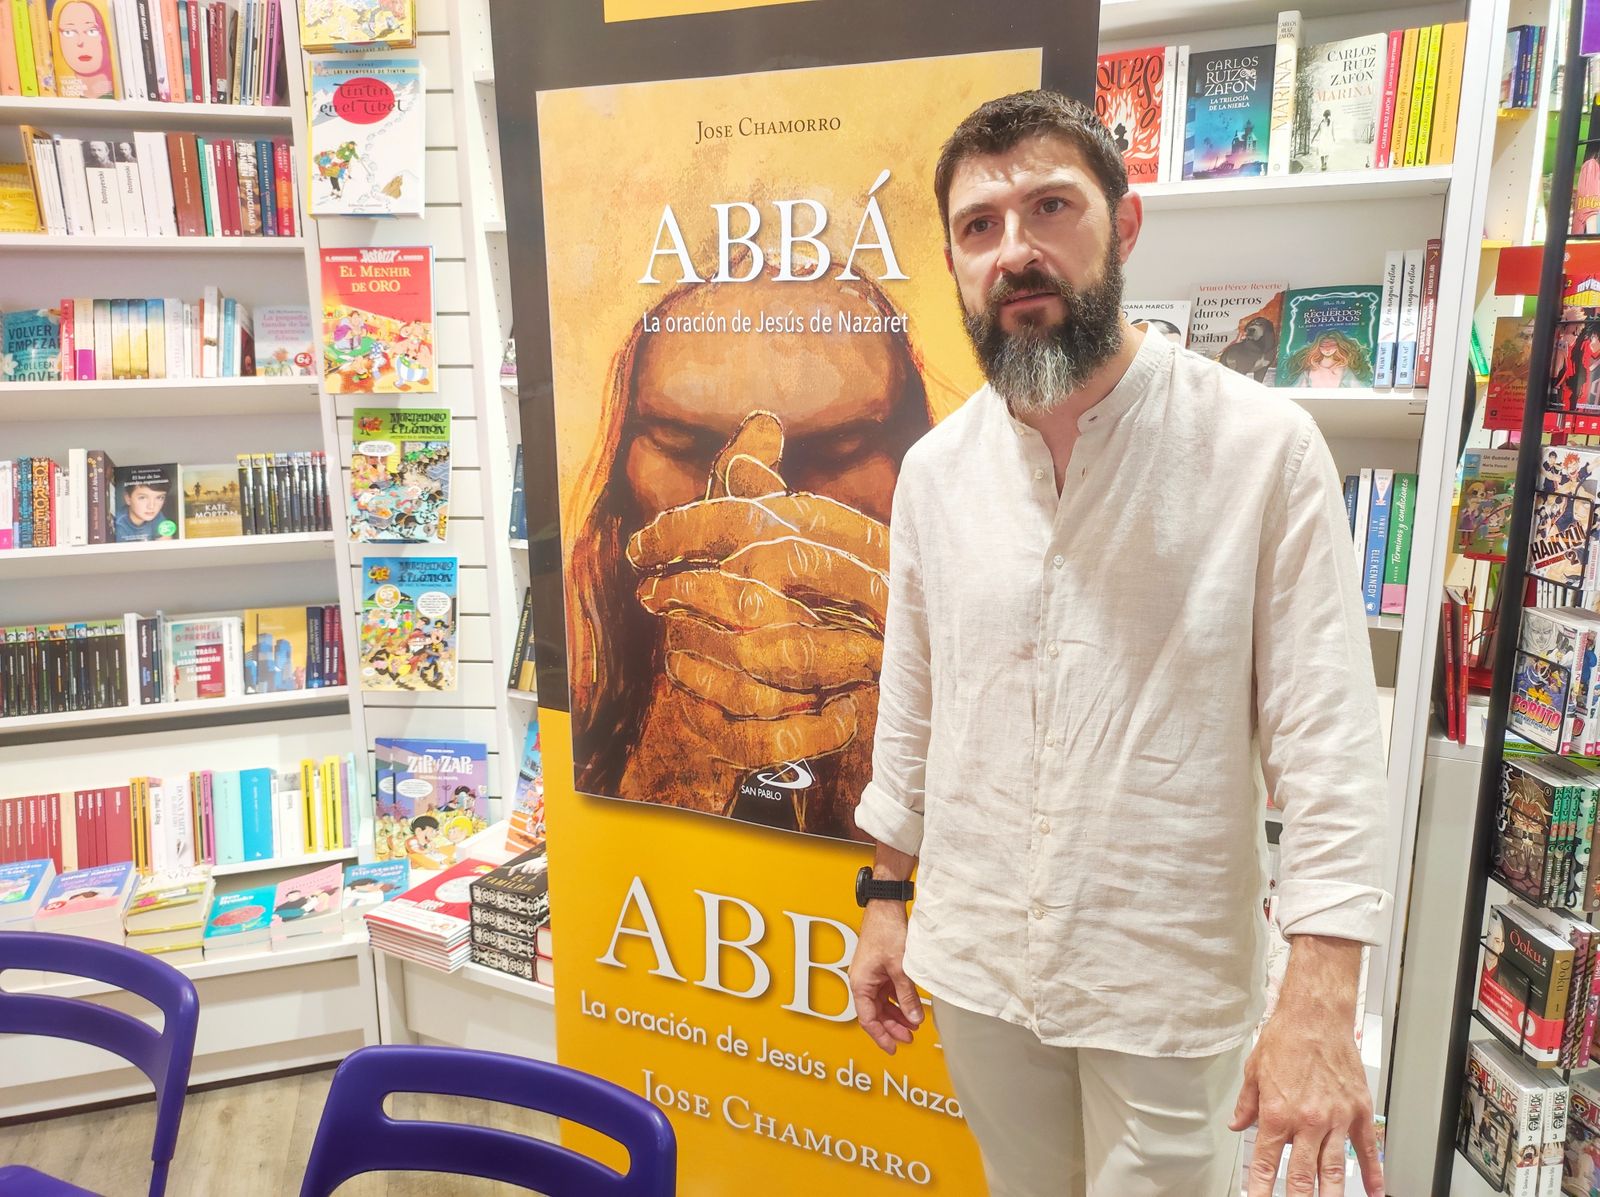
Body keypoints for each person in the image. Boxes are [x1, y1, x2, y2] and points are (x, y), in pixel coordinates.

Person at [848, 91, 1388, 1197]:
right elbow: (911, 703)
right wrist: (883, 901)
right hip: (983, 960)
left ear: (1123, 227)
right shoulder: (935, 474)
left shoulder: (1259, 450)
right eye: (979, 226)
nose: (1015, 251)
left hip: (1165, 980)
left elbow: (1329, 748)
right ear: (953, 261)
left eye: (1051, 207)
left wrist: (1322, 1001)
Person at [567, 263, 936, 839]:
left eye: (840, 446)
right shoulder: (580, 680)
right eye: (681, 442)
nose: (752, 495)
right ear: (622, 461)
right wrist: (673, 752)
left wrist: (884, 733)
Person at [115, 476, 175, 541]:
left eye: (159, 497)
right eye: (142, 497)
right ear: (128, 499)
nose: (151, 506)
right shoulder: (118, 524)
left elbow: (166, 546)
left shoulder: (158, 517)